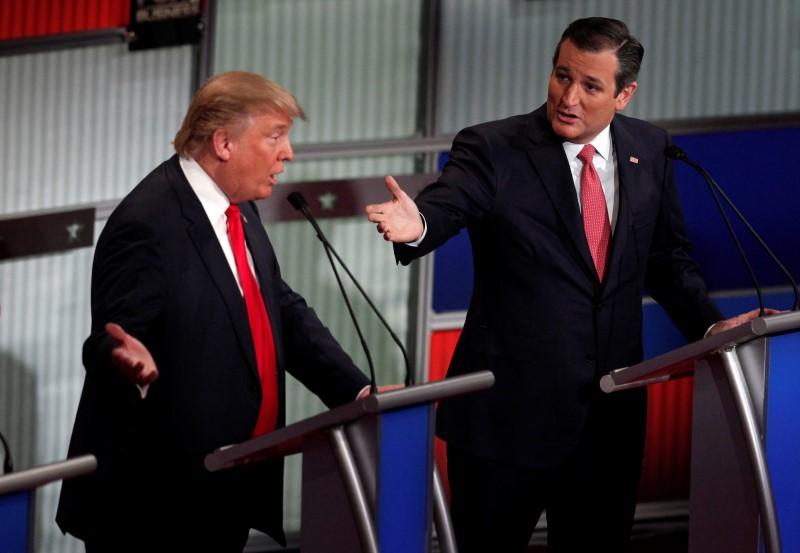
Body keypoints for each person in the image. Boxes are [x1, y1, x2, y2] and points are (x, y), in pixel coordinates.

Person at [366, 17, 771, 553]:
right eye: (562, 76)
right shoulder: (494, 147)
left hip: (608, 426)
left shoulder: (649, 148)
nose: (569, 97)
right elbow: (449, 204)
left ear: (624, 94)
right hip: (506, 424)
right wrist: (418, 226)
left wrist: (711, 325)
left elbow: (667, 258)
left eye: (590, 86)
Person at [57, 71, 371, 552]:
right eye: (275, 136)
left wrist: (355, 391)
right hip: (154, 506)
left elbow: (277, 308)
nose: (287, 153)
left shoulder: (237, 206)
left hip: (225, 480)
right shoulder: (146, 223)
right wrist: (126, 360)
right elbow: (109, 341)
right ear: (224, 143)